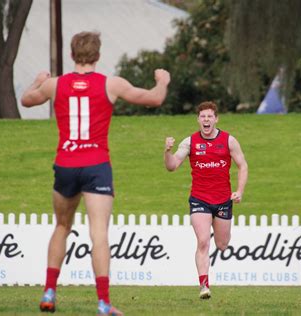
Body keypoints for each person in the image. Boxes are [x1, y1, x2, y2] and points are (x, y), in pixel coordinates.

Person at [21, 31, 170, 315]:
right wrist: (162, 81)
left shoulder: (55, 85)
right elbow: (154, 99)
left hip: (65, 163)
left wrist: (39, 81)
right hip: (96, 165)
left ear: (71, 55)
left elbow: (27, 100)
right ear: (98, 56)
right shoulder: (110, 84)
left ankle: (49, 293)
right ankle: (103, 303)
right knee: (98, 233)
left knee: (62, 227)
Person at [164, 101, 248, 299]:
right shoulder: (190, 142)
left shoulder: (229, 141)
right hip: (199, 199)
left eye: (210, 116)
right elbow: (172, 166)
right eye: (203, 117)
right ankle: (204, 285)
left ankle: (216, 252)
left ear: (216, 119)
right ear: (198, 120)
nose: (206, 120)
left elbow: (242, 166)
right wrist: (167, 151)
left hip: (223, 200)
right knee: (203, 241)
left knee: (222, 244)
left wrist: (240, 191)